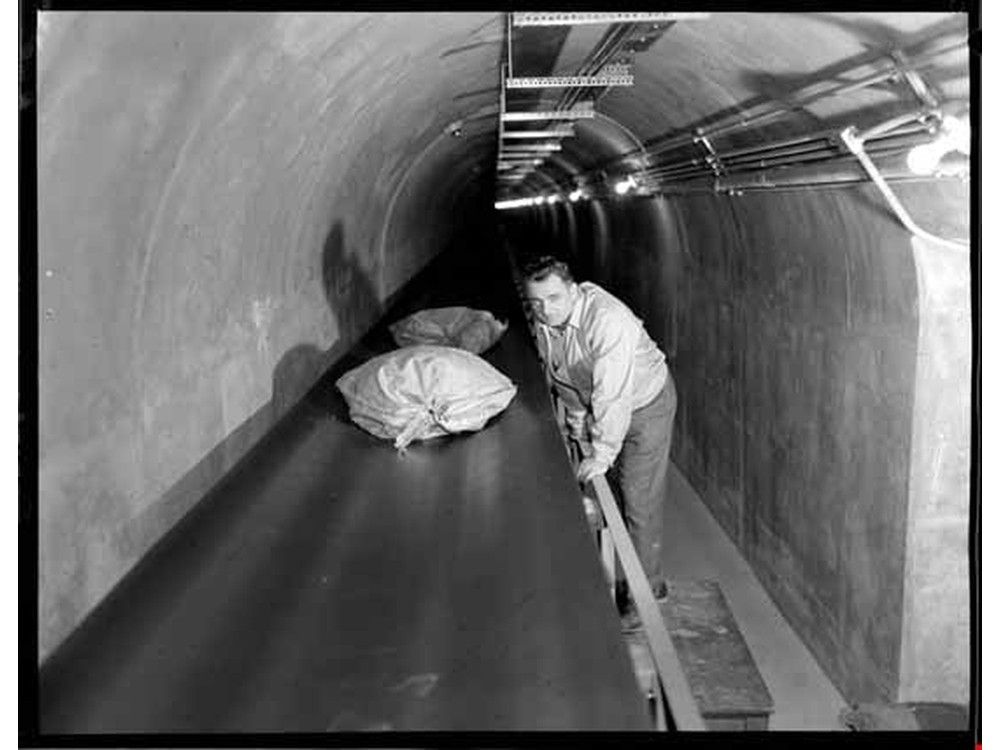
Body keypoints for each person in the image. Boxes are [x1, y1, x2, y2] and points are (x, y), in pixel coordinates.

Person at [520, 255, 677, 631]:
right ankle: (631, 568)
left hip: (644, 405)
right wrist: (577, 420)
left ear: (573, 291)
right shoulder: (548, 320)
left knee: (638, 497)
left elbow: (614, 394)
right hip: (602, 402)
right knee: (618, 492)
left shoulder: (609, 321)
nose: (546, 309)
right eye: (536, 302)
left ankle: (647, 594)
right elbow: (561, 371)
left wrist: (601, 452)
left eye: (554, 298)